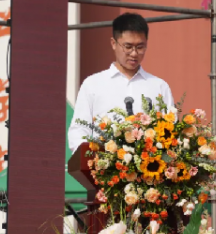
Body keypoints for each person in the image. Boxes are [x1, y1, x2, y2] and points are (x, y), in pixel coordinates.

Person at [68, 12, 174, 153]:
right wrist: (92, 157)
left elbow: (171, 130)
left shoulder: (159, 87)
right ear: (114, 43)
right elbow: (79, 131)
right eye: (128, 47)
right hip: (103, 164)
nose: (134, 53)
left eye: (140, 47)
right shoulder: (93, 85)